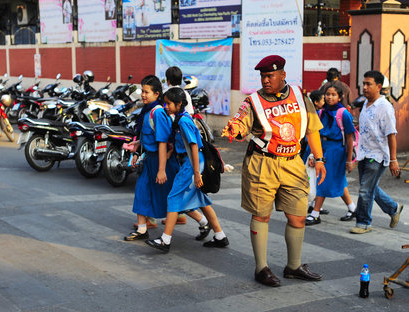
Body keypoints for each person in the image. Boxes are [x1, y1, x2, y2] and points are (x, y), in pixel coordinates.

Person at [222, 55, 326, 287]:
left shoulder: (300, 96)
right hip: (262, 163)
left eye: (270, 76)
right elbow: (240, 124)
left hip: (293, 162)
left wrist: (319, 158)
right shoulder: (253, 101)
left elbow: (312, 129)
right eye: (262, 76)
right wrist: (235, 130)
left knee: (298, 216)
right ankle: (261, 268)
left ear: (282, 75)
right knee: (261, 215)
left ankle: (294, 266)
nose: (265, 80)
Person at [145, 88, 228, 252]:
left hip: (192, 164)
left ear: (179, 104)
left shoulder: (183, 121)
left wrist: (197, 173)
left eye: (169, 103)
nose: (166, 106)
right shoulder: (179, 119)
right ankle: (220, 236)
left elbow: (194, 146)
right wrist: (171, 152)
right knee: (202, 201)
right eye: (165, 103)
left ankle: (165, 240)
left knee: (174, 197)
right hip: (190, 162)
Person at [124, 75, 179, 241]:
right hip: (149, 159)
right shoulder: (145, 111)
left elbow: (163, 143)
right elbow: (144, 137)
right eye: (142, 91)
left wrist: (162, 170)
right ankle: (142, 229)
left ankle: (204, 222)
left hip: (163, 161)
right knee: (141, 191)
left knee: (176, 198)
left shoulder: (158, 113)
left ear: (157, 94)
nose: (143, 95)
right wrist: (135, 153)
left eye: (146, 92)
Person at [350, 70, 403, 234]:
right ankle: (393, 208)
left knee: (365, 190)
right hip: (364, 153)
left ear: (378, 86)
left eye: (368, 84)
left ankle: (364, 223)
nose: (364, 87)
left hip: (378, 156)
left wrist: (393, 160)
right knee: (370, 187)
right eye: (363, 84)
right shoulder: (366, 103)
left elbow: (391, 134)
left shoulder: (385, 107)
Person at [305, 84, 357, 226]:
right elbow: (314, 134)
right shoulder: (321, 113)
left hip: (336, 149)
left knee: (323, 178)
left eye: (333, 94)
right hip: (323, 147)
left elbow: (349, 137)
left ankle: (315, 214)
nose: (329, 97)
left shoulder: (343, 113)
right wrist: (312, 154)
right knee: (338, 180)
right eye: (327, 94)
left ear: (340, 97)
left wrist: (349, 160)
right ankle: (353, 208)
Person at [161, 65, 195, 225]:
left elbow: (165, 118)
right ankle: (180, 215)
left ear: (167, 80)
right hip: (183, 144)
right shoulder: (186, 93)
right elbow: (192, 114)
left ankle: (174, 220)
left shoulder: (167, 95)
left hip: (176, 142)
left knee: (174, 185)